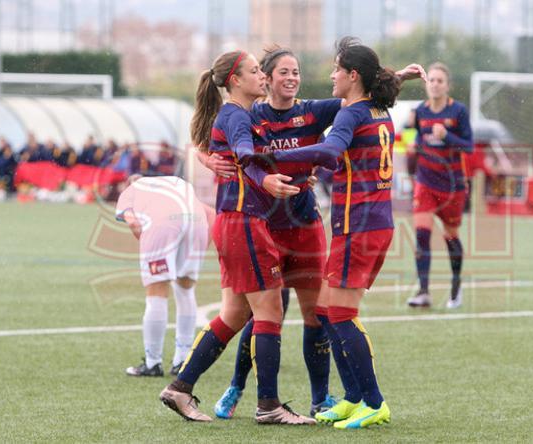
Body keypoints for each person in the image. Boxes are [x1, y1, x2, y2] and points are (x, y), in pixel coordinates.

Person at [204, 46, 425, 420]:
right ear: (266, 79)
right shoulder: (247, 113)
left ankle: (337, 398)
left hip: (314, 224)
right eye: (282, 72)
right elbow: (219, 140)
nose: (292, 78)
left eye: (297, 71)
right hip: (266, 225)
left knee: (322, 314)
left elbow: (335, 140)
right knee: (264, 314)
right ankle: (238, 387)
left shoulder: (318, 110)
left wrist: (276, 160)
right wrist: (205, 156)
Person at [158, 49, 315, 425]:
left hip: (234, 223)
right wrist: (263, 177)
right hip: (244, 223)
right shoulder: (236, 116)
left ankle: (180, 388)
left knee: (233, 313)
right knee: (270, 311)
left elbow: (241, 150)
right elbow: (245, 152)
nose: (263, 76)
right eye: (256, 71)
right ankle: (269, 406)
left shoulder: (234, 115)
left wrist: (286, 175)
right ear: (236, 81)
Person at [116, 175, 214, 377]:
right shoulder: (177, 184)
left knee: (156, 292)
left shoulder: (130, 191)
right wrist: (201, 247)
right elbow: (211, 215)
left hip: (162, 226)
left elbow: (133, 222)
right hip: (197, 223)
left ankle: (153, 363)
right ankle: (182, 360)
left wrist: (148, 247)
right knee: (186, 290)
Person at [406, 62, 473, 310]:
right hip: (425, 183)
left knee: (450, 236)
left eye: (439, 81)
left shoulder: (458, 112)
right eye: (431, 80)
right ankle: (424, 291)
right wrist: (415, 147)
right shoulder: (420, 112)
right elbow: (417, 140)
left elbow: (469, 147)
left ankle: (456, 284)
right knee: (422, 234)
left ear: (447, 86)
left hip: (453, 186)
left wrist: (447, 136)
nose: (434, 84)